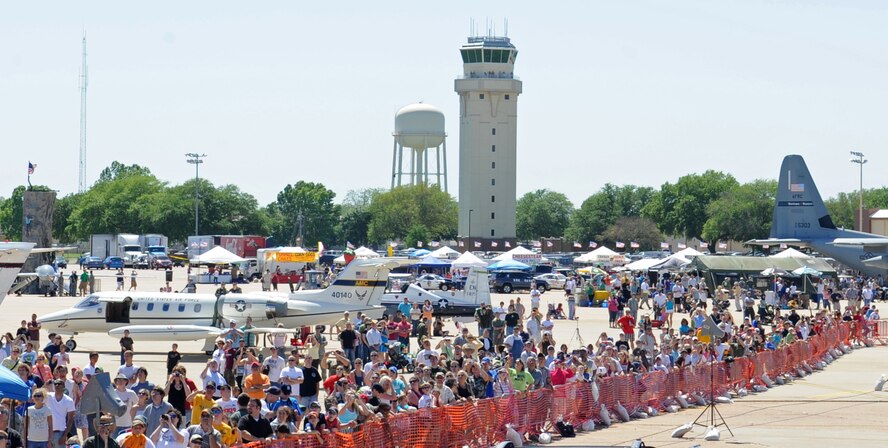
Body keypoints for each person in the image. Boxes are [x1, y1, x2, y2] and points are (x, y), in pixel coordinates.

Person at [46, 379, 75, 447]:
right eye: (55, 384)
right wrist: (46, 384)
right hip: (47, 433)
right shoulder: (48, 396)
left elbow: (71, 419)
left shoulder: (69, 400)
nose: (57, 385)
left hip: (60, 433)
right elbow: (36, 394)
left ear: (64, 386)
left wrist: (64, 436)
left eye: (59, 384)